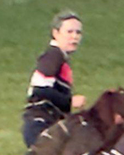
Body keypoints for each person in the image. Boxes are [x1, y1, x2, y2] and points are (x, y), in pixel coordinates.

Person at [22, 11, 86, 147]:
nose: (74, 36)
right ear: (55, 33)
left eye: (78, 32)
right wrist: (70, 101)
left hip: (48, 124)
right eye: (69, 32)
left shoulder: (59, 57)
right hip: (41, 124)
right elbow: (40, 90)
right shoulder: (53, 56)